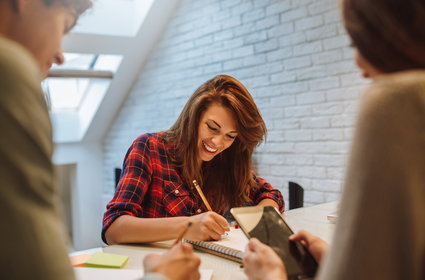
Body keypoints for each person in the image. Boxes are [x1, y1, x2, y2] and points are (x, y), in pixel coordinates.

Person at [0, 0, 200, 279]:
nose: (60, 55)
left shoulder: (227, 162)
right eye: (65, 26)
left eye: (230, 136)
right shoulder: (8, 72)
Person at [242, 0, 425, 279]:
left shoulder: (399, 101)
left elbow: (270, 193)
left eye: (356, 44)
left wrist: (271, 276)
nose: (359, 65)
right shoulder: (152, 149)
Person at [102, 74, 285, 244]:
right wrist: (187, 226)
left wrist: (259, 223)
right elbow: (113, 228)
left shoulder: (224, 160)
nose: (218, 143)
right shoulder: (149, 148)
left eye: (230, 136)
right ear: (194, 117)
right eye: (212, 127)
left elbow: (271, 195)